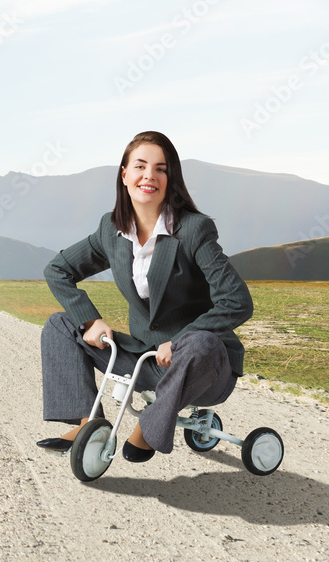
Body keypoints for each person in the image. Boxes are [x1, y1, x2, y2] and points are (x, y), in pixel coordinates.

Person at [37, 131, 253, 462]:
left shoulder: (194, 230)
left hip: (202, 367)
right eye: (139, 166)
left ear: (171, 179)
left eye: (160, 169)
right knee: (60, 325)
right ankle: (87, 424)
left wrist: (180, 340)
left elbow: (237, 300)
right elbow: (58, 270)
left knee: (202, 342)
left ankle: (151, 425)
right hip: (143, 361)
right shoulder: (111, 230)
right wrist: (91, 320)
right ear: (124, 175)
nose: (149, 175)